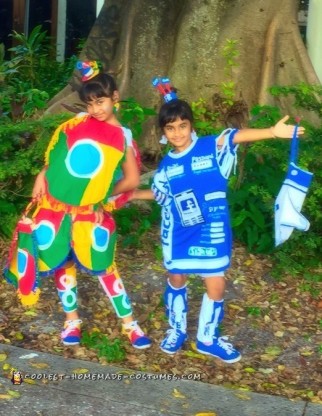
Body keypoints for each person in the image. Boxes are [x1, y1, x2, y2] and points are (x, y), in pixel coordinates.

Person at [131, 81, 305, 363]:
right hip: (178, 233)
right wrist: (132, 194)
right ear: (163, 133)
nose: (177, 133)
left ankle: (207, 338)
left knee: (216, 286)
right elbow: (160, 194)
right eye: (170, 128)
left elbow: (237, 136)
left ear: (191, 126)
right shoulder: (167, 165)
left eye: (182, 126)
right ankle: (176, 330)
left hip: (211, 231)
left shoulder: (211, 146)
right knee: (176, 278)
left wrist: (272, 132)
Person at [8, 61, 152, 349]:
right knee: (63, 261)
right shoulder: (77, 125)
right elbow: (60, 159)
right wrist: (41, 175)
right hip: (57, 207)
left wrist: (99, 194)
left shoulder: (121, 137)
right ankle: (71, 319)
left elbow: (132, 179)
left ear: (115, 98)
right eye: (90, 103)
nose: (96, 109)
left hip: (91, 211)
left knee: (104, 265)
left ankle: (129, 323)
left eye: (101, 101)